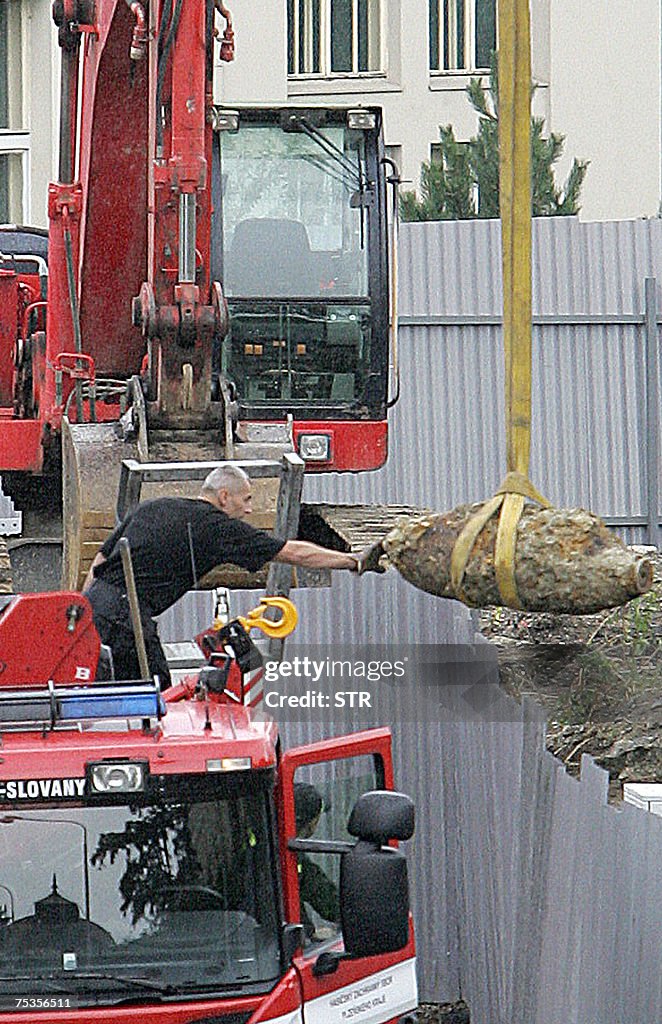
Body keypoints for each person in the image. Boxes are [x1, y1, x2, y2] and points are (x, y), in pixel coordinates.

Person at [83, 465, 380, 688]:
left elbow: (101, 557)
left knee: (94, 693)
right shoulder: (217, 528)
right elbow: (294, 553)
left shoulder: (154, 506)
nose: (249, 510)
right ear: (224, 496)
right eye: (246, 499)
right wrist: (352, 562)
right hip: (126, 620)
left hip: (94, 608)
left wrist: (81, 608)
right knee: (153, 698)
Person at [293, 782, 340, 940]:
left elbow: (319, 890)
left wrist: (349, 913)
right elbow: (273, 903)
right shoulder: (273, 855)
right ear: (312, 822)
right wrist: (309, 932)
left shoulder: (294, 855)